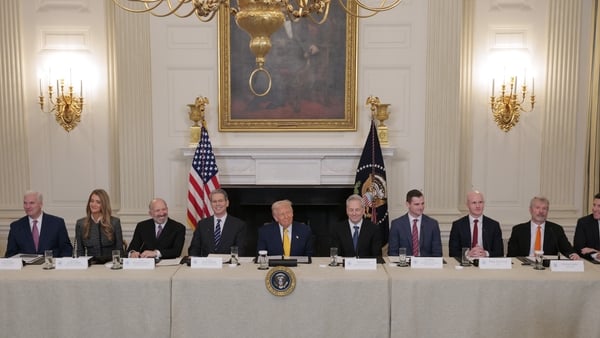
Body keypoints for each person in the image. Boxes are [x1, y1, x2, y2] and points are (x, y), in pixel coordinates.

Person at [507, 196, 579, 259]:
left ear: (547, 211)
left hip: (548, 268)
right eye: (537, 208)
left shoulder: (556, 229)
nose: (541, 211)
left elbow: (567, 249)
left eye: (544, 208)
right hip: (524, 267)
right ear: (530, 210)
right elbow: (511, 256)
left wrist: (573, 255)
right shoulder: (518, 230)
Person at [5, 191, 72, 257]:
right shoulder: (16, 226)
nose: (27, 206)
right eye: (25, 203)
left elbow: (67, 250)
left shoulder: (57, 223)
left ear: (40, 204)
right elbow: (10, 254)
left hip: (51, 266)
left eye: (32, 203)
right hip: (26, 267)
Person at [188, 189, 247, 257]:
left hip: (228, 265)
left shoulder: (239, 225)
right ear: (211, 204)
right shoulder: (202, 224)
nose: (217, 204)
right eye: (214, 201)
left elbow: (240, 250)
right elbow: (194, 248)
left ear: (227, 203)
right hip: (206, 265)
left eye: (220, 201)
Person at [448, 191, 504, 258]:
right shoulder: (458, 225)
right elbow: (452, 252)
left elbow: (499, 252)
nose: (478, 206)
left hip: (487, 264)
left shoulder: (494, 225)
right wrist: (468, 254)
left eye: (480, 202)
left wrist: (485, 253)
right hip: (465, 265)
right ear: (467, 205)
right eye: (474, 203)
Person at [388, 189, 442, 257]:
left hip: (427, 265)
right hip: (405, 265)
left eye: (422, 203)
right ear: (408, 204)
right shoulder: (397, 224)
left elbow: (437, 252)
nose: (421, 207)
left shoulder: (433, 224)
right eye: (417, 204)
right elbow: (393, 252)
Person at [75, 189, 124, 257]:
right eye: (92, 201)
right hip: (90, 265)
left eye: (98, 202)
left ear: (104, 204)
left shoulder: (114, 222)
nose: (93, 204)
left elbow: (119, 250)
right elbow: (80, 251)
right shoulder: (81, 224)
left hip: (110, 265)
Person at [573, 192, 600, 260]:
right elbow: (579, 248)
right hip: (592, 265)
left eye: (599, 206)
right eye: (594, 205)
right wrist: (596, 254)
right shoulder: (584, 223)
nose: (594, 209)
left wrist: (594, 250)